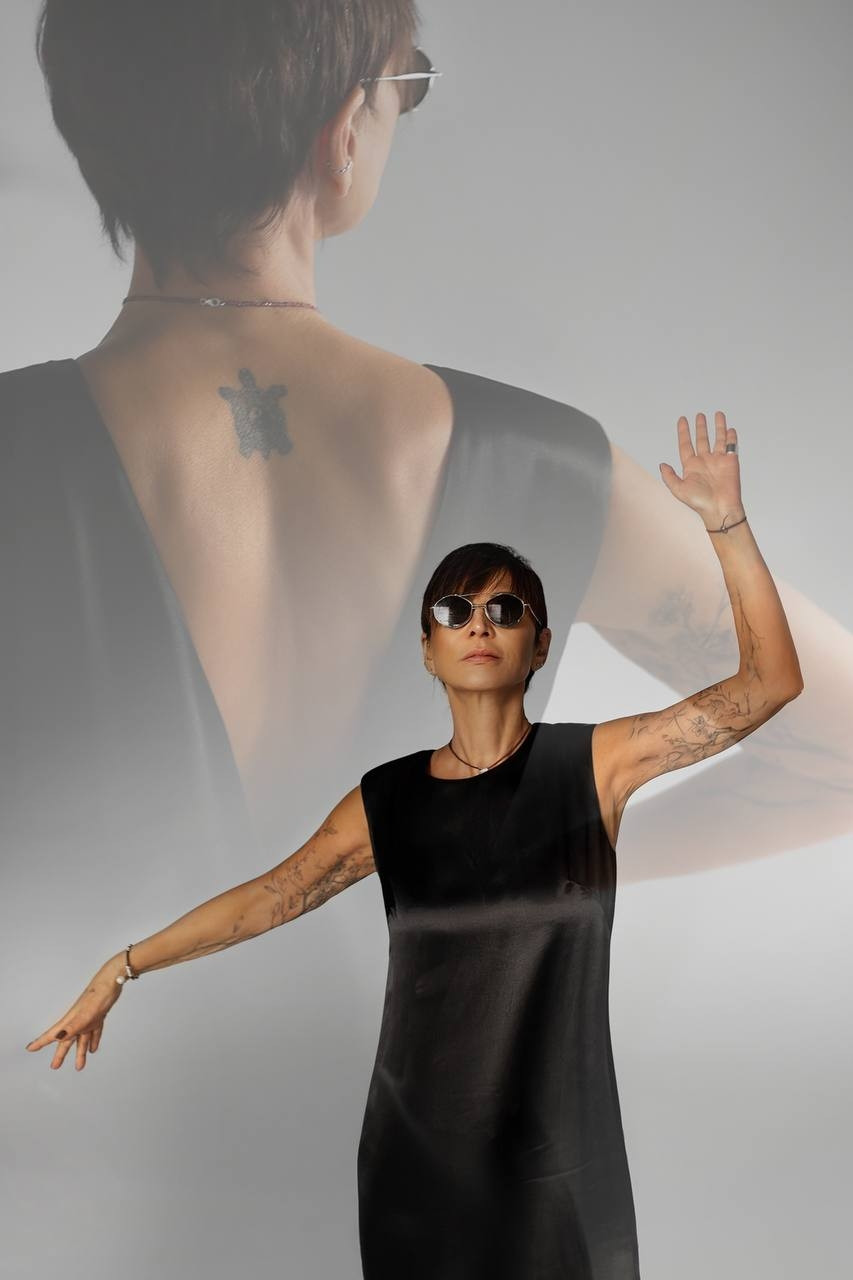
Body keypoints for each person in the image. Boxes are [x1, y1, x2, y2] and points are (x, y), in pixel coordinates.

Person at [26, 415, 804, 1278]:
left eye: (505, 609)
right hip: (420, 1166)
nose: (479, 624)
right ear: (428, 651)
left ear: (540, 644)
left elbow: (769, 682)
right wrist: (123, 966)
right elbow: (267, 898)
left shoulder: (595, 764)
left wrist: (725, 526)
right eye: (453, 610)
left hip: (560, 1168)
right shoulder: (387, 801)